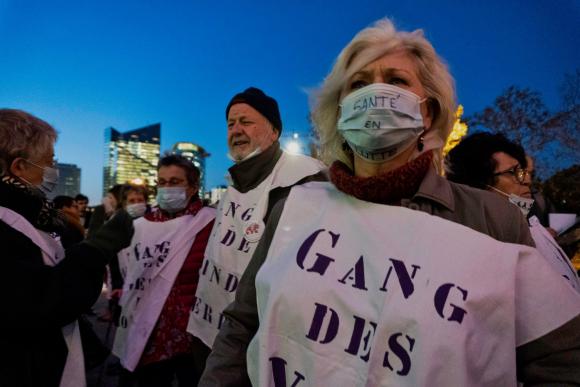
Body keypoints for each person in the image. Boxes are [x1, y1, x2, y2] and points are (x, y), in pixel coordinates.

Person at [200, 19, 580, 386]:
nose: (375, 94)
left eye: (396, 81)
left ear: (427, 112)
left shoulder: (492, 221)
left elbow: (561, 362)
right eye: (360, 84)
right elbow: (241, 327)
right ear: (342, 111)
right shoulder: (295, 209)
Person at [186, 87, 325, 355]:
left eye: (246, 122)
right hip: (208, 338)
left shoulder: (307, 180)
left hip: (258, 348)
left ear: (274, 132)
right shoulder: (233, 186)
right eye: (230, 124)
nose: (236, 130)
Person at [0, 109, 134, 387]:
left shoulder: (34, 215)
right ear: (19, 167)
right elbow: (43, 299)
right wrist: (97, 247)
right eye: (49, 162)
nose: (53, 170)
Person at [113, 154, 216, 386]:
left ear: (193, 187)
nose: (167, 188)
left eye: (175, 182)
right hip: (151, 336)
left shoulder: (211, 223)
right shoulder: (141, 225)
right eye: (162, 182)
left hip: (194, 337)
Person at [445, 132, 580, 291]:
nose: (527, 180)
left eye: (523, 171)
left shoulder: (535, 233)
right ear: (479, 184)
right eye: (513, 172)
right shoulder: (461, 252)